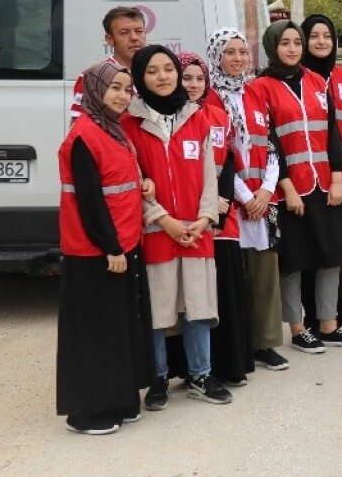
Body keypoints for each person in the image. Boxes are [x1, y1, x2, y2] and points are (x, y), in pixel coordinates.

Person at [123, 46, 232, 408]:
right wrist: (164, 220)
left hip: (196, 230)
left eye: (168, 68)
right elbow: (134, 181)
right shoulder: (130, 122)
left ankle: (201, 373)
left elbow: (208, 175)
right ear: (140, 77)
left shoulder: (197, 117)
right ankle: (158, 378)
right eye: (152, 71)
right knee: (159, 309)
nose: (163, 77)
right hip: (158, 231)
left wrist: (203, 220)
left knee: (198, 305)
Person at [244, 22, 342, 354]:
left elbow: (333, 132)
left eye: (297, 42)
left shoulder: (318, 81)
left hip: (325, 184)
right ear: (272, 46)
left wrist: (337, 178)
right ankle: (297, 328)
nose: (292, 49)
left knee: (331, 253)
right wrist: (287, 186)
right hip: (289, 189)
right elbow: (268, 141)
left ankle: (329, 324)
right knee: (293, 261)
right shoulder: (260, 87)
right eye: (285, 43)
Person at [56, 62, 150, 434]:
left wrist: (145, 184)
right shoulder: (84, 135)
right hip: (95, 251)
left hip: (124, 244)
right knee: (96, 332)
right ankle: (88, 411)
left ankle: (122, 397)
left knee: (119, 327)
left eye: (127, 89)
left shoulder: (113, 131)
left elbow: (121, 181)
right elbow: (90, 200)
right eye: (114, 88)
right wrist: (110, 247)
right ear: (95, 90)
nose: (122, 95)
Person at [205, 27, 288, 372]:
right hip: (231, 199)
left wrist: (267, 191)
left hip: (262, 200)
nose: (238, 59)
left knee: (264, 272)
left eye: (242, 52)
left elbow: (270, 144)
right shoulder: (207, 98)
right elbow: (219, 156)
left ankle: (265, 343)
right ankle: (236, 344)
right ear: (216, 56)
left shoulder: (254, 93)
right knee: (232, 276)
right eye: (230, 52)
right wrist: (244, 195)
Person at [177, 52, 254, 387]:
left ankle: (228, 364)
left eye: (198, 79)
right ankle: (189, 368)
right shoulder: (170, 117)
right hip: (186, 217)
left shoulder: (218, 114)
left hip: (222, 218)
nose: (193, 85)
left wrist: (222, 201)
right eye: (186, 78)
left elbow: (230, 159)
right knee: (190, 296)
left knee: (225, 291)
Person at [299, 14, 342, 346]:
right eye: (314, 36)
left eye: (327, 35)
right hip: (308, 177)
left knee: (340, 250)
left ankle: (341, 312)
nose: (321, 41)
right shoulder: (298, 77)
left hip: (341, 177)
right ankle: (313, 317)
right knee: (311, 250)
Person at [70, 6, 146, 119]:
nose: (134, 37)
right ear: (109, 39)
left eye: (139, 31)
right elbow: (78, 126)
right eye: (124, 32)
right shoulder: (93, 77)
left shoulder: (155, 74)